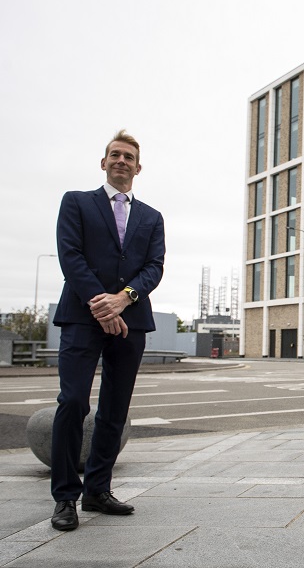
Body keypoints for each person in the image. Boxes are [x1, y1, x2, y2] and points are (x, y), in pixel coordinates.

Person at [50, 130, 166, 530]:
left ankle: (97, 490)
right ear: (104, 163)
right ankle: (65, 496)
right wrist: (102, 303)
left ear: (138, 167)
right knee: (73, 402)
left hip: (130, 322)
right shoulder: (77, 202)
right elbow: (71, 255)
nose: (121, 161)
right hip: (83, 316)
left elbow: (154, 267)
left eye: (129, 157)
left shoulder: (152, 217)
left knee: (114, 409)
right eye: (115, 155)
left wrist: (125, 298)